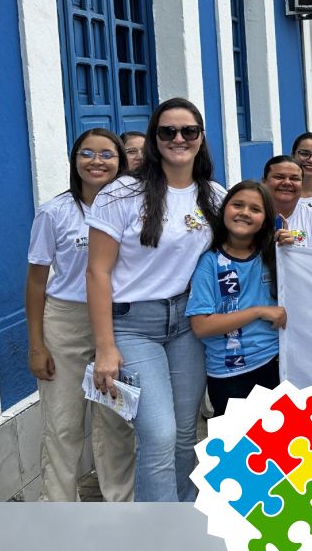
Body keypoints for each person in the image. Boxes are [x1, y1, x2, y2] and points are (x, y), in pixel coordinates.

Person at [87, 97, 224, 501]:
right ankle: (157, 532)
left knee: (184, 435)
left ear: (201, 138)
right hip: (134, 326)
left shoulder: (214, 196)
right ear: (154, 138)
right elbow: (97, 272)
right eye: (168, 131)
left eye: (189, 131)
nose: (179, 138)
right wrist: (105, 347)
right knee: (159, 434)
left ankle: (181, 518)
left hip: (187, 323)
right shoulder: (120, 194)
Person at [24, 128, 136, 501]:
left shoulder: (134, 209)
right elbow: (36, 282)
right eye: (87, 153)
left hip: (119, 321)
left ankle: (120, 508)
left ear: (120, 161)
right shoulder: (54, 212)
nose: (96, 161)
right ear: (74, 161)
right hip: (66, 323)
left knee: (116, 423)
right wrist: (37, 345)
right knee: (63, 425)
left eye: (107, 154)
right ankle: (60, 512)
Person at [186, 180, 285, 415]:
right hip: (228, 375)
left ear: (265, 219)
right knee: (237, 441)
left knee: (280, 439)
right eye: (238, 205)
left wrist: (292, 249)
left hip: (276, 366)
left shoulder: (276, 255)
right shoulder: (209, 262)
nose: (245, 213)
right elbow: (201, 326)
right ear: (224, 210)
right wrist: (258, 311)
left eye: (255, 209)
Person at [261, 155, 312, 249]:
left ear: (302, 184)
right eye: (279, 177)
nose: (287, 183)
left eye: (294, 179)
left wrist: (292, 250)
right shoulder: (250, 217)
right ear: (264, 182)